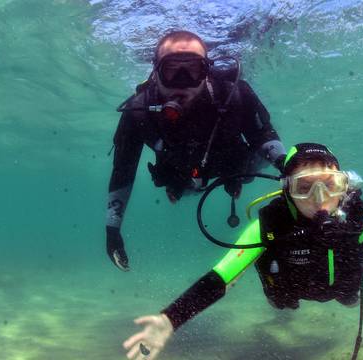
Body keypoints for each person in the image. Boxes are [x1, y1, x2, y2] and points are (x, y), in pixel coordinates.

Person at [121, 143, 363, 360]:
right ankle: (282, 299)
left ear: (346, 187)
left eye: (330, 186)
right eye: (304, 188)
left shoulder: (359, 218)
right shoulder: (268, 223)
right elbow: (219, 277)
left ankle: (341, 295)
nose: (320, 199)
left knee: (348, 298)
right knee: (282, 304)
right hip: (288, 288)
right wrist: (171, 318)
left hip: (342, 287)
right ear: (285, 190)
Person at [106, 30, 286, 271]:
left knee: (250, 168)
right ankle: (182, 187)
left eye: (193, 70)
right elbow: (123, 171)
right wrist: (113, 229)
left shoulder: (235, 95)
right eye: (171, 70)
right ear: (155, 71)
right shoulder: (138, 113)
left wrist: (288, 166)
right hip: (178, 169)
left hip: (231, 164)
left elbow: (263, 136)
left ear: (207, 71)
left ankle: (228, 181)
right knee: (181, 184)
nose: (182, 82)